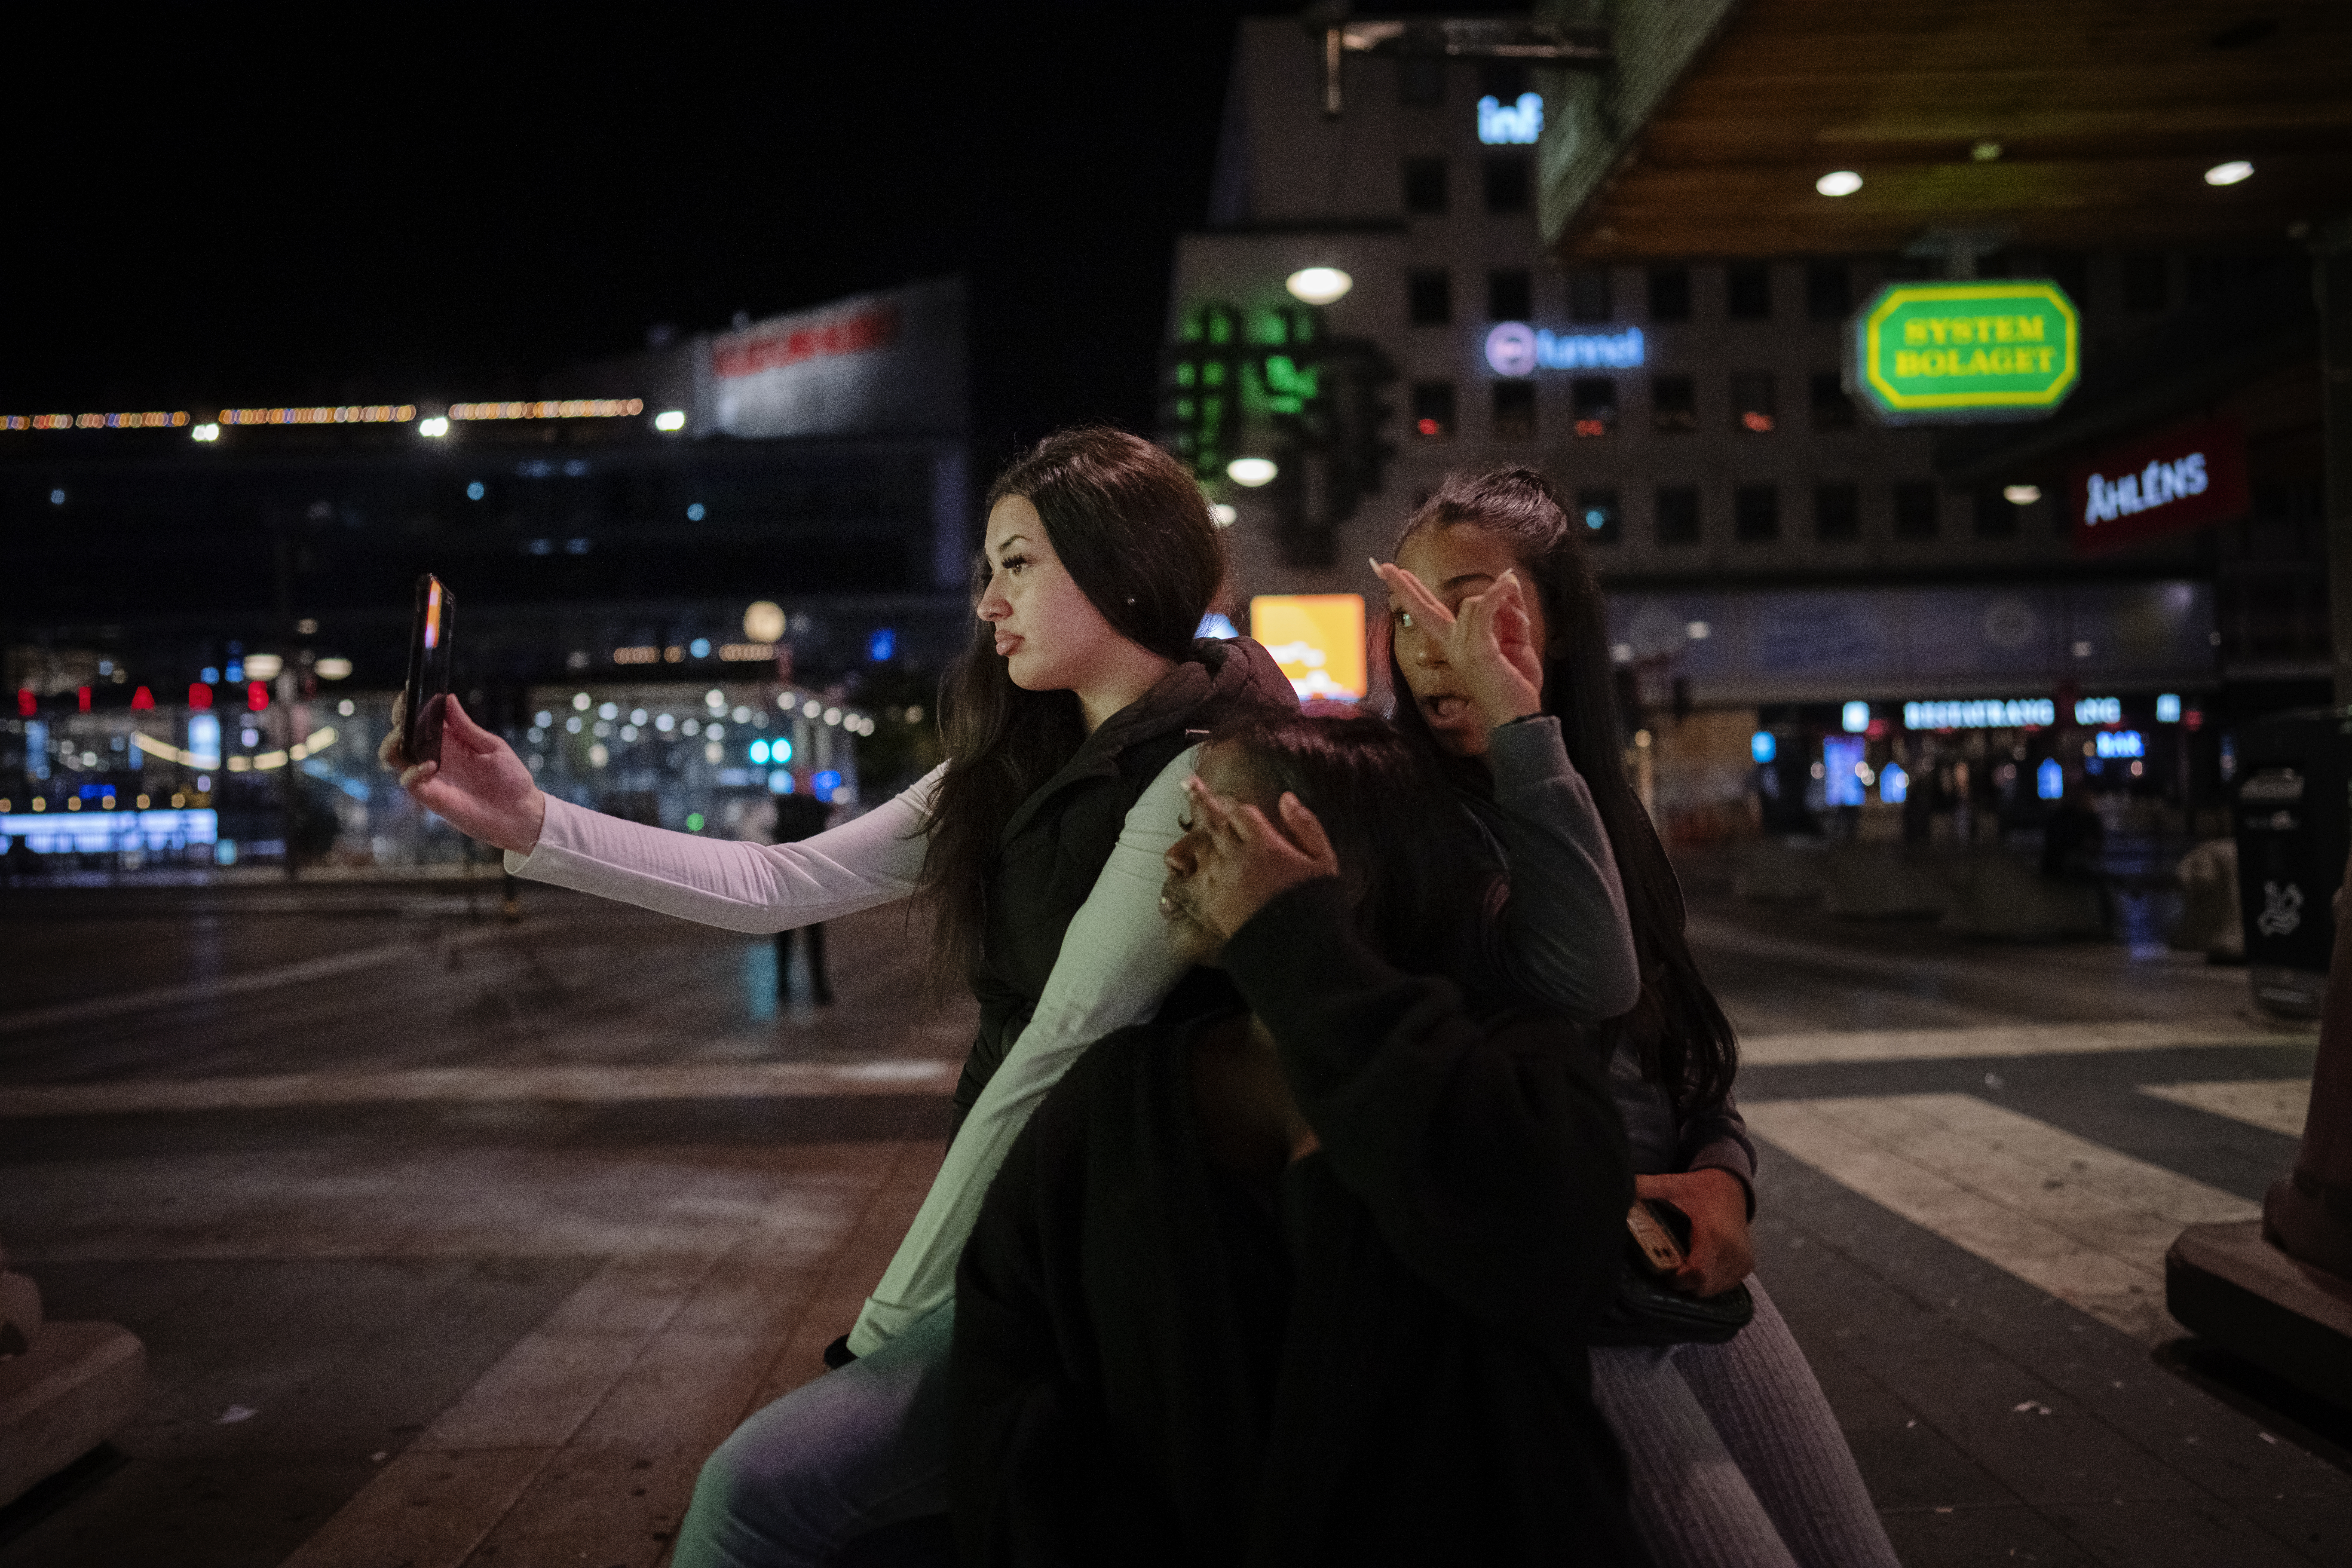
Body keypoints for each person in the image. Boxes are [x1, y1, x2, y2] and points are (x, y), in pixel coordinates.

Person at [379, 426, 1298, 1566]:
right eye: (988, 570)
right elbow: (783, 883)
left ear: (1125, 566)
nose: (989, 603)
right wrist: (531, 823)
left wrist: (895, 1317)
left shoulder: (1207, 766)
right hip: (1034, 1228)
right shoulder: (1024, 753)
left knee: (757, 1495)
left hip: (1131, 1255)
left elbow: (1067, 1041)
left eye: (1018, 565)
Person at [951, 713, 1647, 1566]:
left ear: (1350, 863)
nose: (1179, 858)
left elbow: (1544, 1253)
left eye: (1225, 834)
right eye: (1185, 826)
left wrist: (1299, 940)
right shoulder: (1120, 1091)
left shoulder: (1511, 1064)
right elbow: (1002, 1360)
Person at [1373, 467, 1897, 1568]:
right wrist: (1520, 728)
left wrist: (1725, 1173)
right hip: (1558, 1297)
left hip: (1671, 1264)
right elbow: (1590, 979)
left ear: (1558, 624)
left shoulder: (1604, 810)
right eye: (1408, 615)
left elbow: (1675, 1044)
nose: (1433, 648)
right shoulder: (1394, 824)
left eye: (1468, 608)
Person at [770, 788, 836, 1005]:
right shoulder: (807, 807)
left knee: (805, 938)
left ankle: (802, 989)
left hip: (800, 880)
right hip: (796, 879)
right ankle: (789, 988)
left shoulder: (790, 806)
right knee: (792, 938)